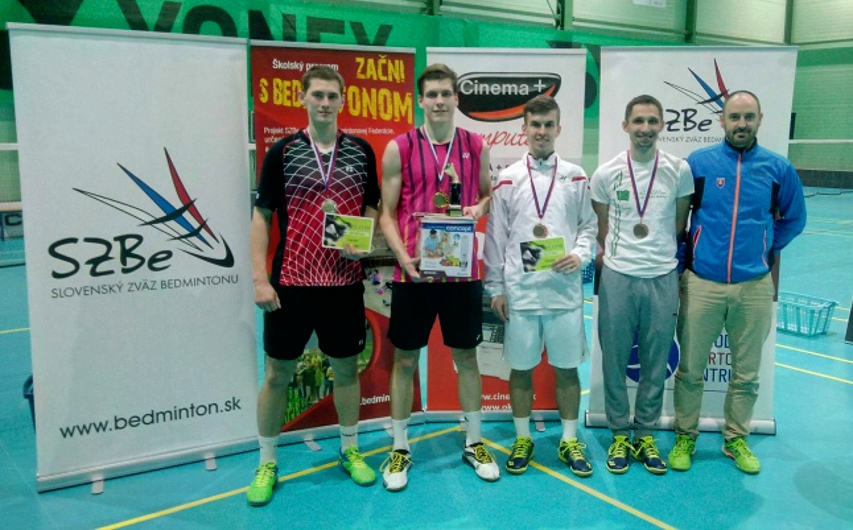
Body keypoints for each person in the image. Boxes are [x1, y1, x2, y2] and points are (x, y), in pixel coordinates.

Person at [246, 66, 381, 506]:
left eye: (332, 96)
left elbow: (372, 207)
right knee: (277, 374)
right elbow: (262, 216)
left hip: (342, 283)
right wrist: (259, 279)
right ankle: (267, 461)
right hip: (291, 283)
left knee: (347, 369)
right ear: (302, 98)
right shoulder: (282, 152)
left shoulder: (361, 151)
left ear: (343, 100)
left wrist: (365, 242)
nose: (325, 103)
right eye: (317, 95)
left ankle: (349, 448)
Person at [668, 90, 806, 475]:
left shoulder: (778, 169)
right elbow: (680, 219)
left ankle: (735, 438)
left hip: (754, 287)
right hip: (702, 284)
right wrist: (685, 262)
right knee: (690, 371)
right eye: (734, 117)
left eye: (748, 117)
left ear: (760, 119)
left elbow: (795, 218)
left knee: (746, 374)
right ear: (722, 121)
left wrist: (765, 247)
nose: (741, 124)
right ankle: (685, 436)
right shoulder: (699, 164)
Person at [378, 63, 495, 491]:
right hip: (414, 272)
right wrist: (402, 258)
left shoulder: (475, 145)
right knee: (405, 359)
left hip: (461, 274)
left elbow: (487, 194)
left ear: (456, 99)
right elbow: (386, 214)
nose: (440, 101)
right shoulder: (400, 147)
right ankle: (400, 447)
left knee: (467, 358)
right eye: (432, 94)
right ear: (421, 100)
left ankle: (474, 441)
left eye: (447, 93)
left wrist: (477, 208)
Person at [484, 94, 597, 478]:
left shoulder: (576, 175)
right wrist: (496, 288)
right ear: (525, 129)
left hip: (564, 292)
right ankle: (522, 438)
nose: (542, 131)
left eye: (549, 125)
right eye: (536, 125)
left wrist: (580, 254)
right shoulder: (508, 178)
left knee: (567, 369)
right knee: (520, 370)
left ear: (559, 128)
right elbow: (496, 236)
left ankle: (569, 439)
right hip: (522, 293)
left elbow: (588, 226)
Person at [589, 94, 694, 475]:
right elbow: (603, 227)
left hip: (662, 275)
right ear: (626, 126)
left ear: (662, 125)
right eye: (638, 121)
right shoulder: (606, 173)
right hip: (618, 276)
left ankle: (645, 433)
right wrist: (625, 255)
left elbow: (679, 225)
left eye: (652, 121)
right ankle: (620, 433)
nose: (645, 128)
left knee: (655, 360)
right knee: (614, 359)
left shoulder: (679, 170)